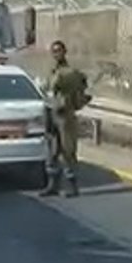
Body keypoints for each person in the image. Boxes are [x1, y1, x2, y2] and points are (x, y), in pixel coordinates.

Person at [41, 39, 90, 197]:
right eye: (54, 51)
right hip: (51, 112)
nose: (56, 54)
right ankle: (52, 184)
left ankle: (72, 186)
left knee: (68, 151)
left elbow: (80, 84)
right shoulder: (50, 71)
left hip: (65, 114)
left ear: (64, 52)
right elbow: (46, 89)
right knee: (52, 151)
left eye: (59, 51)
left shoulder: (70, 72)